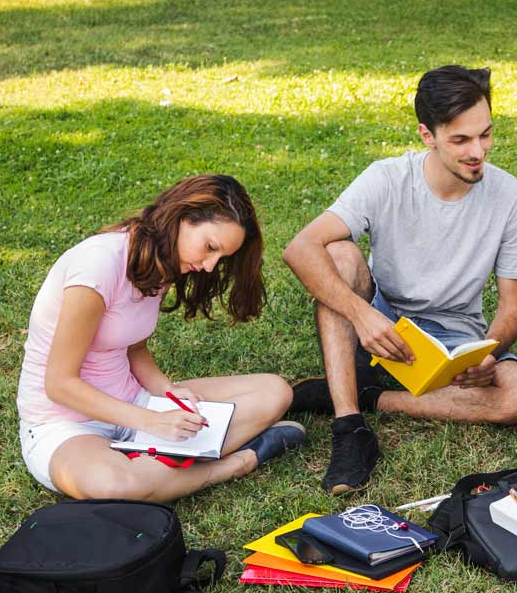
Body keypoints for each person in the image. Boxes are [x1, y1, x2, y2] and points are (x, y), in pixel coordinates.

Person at [283, 65, 517, 495]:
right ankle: (350, 425)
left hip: (456, 342)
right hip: (381, 328)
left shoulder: (511, 196)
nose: (478, 151)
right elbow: (300, 248)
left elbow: (511, 308)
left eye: (485, 134)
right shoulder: (388, 178)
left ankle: (367, 397)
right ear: (427, 135)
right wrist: (363, 317)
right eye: (461, 140)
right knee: (338, 253)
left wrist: (491, 353)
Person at [17, 174, 305, 501]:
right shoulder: (96, 267)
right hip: (66, 425)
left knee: (273, 392)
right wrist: (153, 421)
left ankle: (154, 466)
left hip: (134, 403)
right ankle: (234, 463)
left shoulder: (160, 262)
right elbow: (59, 384)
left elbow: (134, 348)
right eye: (210, 247)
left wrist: (167, 390)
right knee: (111, 486)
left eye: (220, 258)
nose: (210, 266)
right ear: (181, 218)